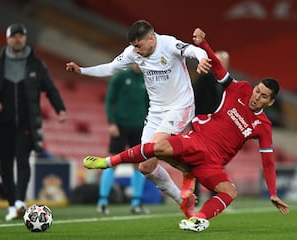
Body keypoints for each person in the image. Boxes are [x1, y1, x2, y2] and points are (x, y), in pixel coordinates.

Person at [82, 27, 290, 232]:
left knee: (230, 191)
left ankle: (197, 219)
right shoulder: (241, 89)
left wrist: (273, 192)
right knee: (158, 147)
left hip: (214, 163)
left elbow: (268, 161)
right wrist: (204, 45)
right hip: (197, 141)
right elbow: (218, 68)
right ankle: (108, 162)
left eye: (263, 96)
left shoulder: (263, 126)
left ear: (270, 103)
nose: (256, 97)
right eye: (257, 91)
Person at [66, 20, 210, 217]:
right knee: (145, 166)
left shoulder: (168, 44)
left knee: (156, 145)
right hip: (156, 111)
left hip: (180, 106)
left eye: (139, 45)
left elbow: (193, 50)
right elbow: (110, 68)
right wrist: (82, 70)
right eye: (133, 46)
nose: (136, 50)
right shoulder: (132, 53)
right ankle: (183, 200)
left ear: (151, 38)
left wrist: (202, 59)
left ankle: (188, 169)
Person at [0, 23, 67, 221]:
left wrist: (60, 109)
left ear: (25, 38)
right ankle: (11, 206)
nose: (17, 39)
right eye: (13, 36)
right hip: (1, 124)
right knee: (6, 165)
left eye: (20, 36)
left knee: (23, 161)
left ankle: (19, 202)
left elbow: (50, 89)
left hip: (26, 124)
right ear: (7, 39)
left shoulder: (36, 65)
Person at [98, 64, 149, 215]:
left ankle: (136, 203)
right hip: (120, 125)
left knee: (139, 165)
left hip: (139, 126)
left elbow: (149, 103)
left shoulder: (147, 78)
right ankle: (102, 201)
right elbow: (109, 100)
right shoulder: (121, 77)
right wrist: (111, 122)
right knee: (112, 162)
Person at [192, 49, 230, 202]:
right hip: (203, 125)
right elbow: (193, 101)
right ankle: (195, 194)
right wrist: (196, 123)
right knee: (197, 159)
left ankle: (216, 192)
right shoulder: (203, 79)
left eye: (225, 62)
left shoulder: (227, 81)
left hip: (219, 127)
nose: (223, 64)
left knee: (218, 160)